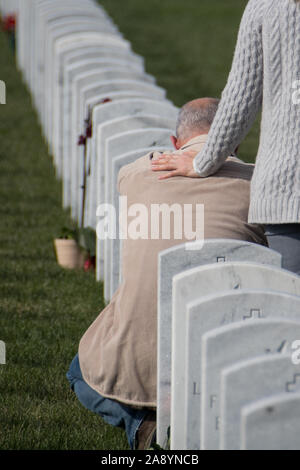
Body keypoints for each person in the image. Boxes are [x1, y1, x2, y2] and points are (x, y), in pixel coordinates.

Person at [66, 97, 267, 450]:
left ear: (175, 143)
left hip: (138, 361)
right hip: (229, 356)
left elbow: (124, 175)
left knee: (78, 372)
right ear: (235, 142)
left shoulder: (140, 173)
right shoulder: (259, 185)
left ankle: (141, 422)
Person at [151, 0, 300, 275]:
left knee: (293, 309)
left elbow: (242, 97)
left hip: (287, 189)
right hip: (287, 191)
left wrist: (202, 162)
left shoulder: (266, 5)